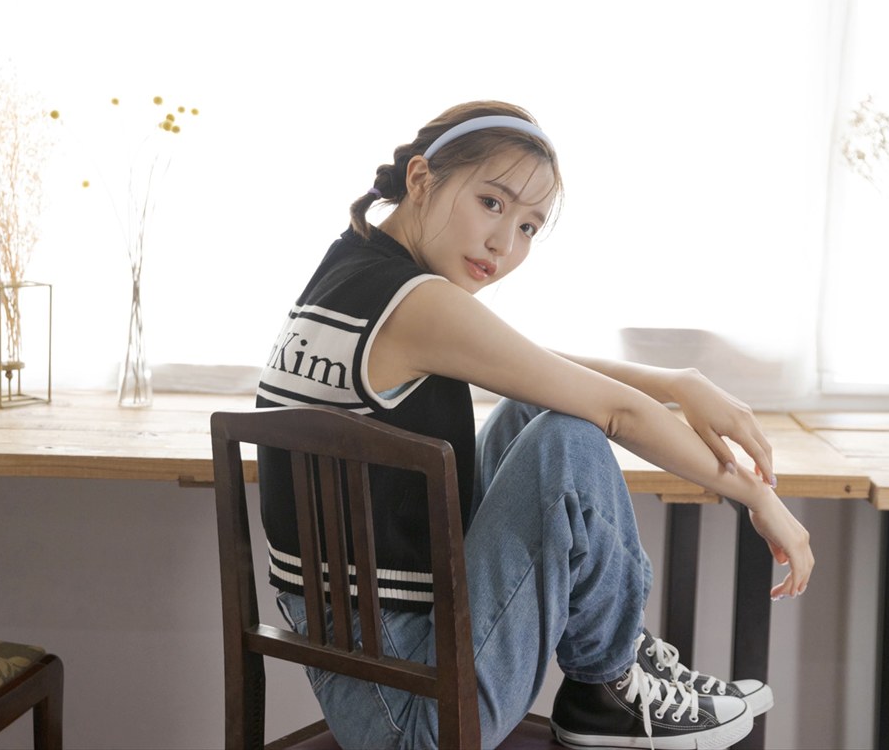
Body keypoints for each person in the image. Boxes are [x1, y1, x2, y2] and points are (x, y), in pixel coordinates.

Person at [255, 100, 814, 750]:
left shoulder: (352, 270)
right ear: (421, 179)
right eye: (491, 203)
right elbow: (614, 412)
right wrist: (757, 496)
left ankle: (614, 670)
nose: (504, 244)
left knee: (531, 410)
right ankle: (609, 682)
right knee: (568, 439)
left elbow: (531, 366)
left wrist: (677, 382)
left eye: (527, 226)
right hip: (416, 717)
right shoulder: (418, 302)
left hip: (385, 672)